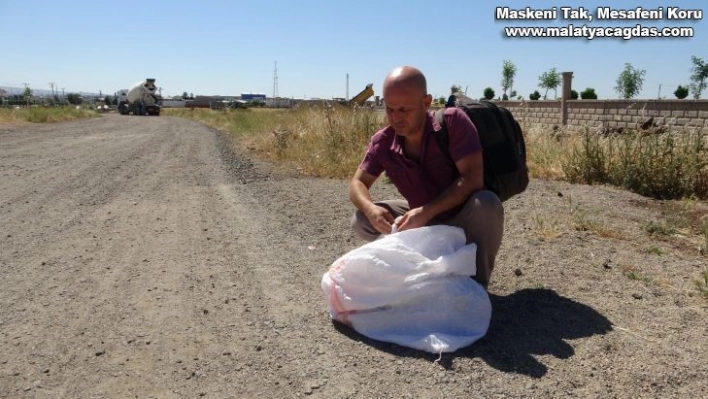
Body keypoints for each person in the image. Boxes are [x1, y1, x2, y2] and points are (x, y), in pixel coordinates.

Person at [348, 66, 504, 289]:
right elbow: (357, 183)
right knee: (361, 220)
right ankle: (415, 272)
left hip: (460, 218)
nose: (396, 118)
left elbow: (472, 178)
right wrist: (371, 209)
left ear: (426, 102)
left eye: (404, 109)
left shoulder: (452, 123)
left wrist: (426, 211)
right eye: (390, 109)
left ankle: (475, 288)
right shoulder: (383, 141)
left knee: (487, 204)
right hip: (420, 220)